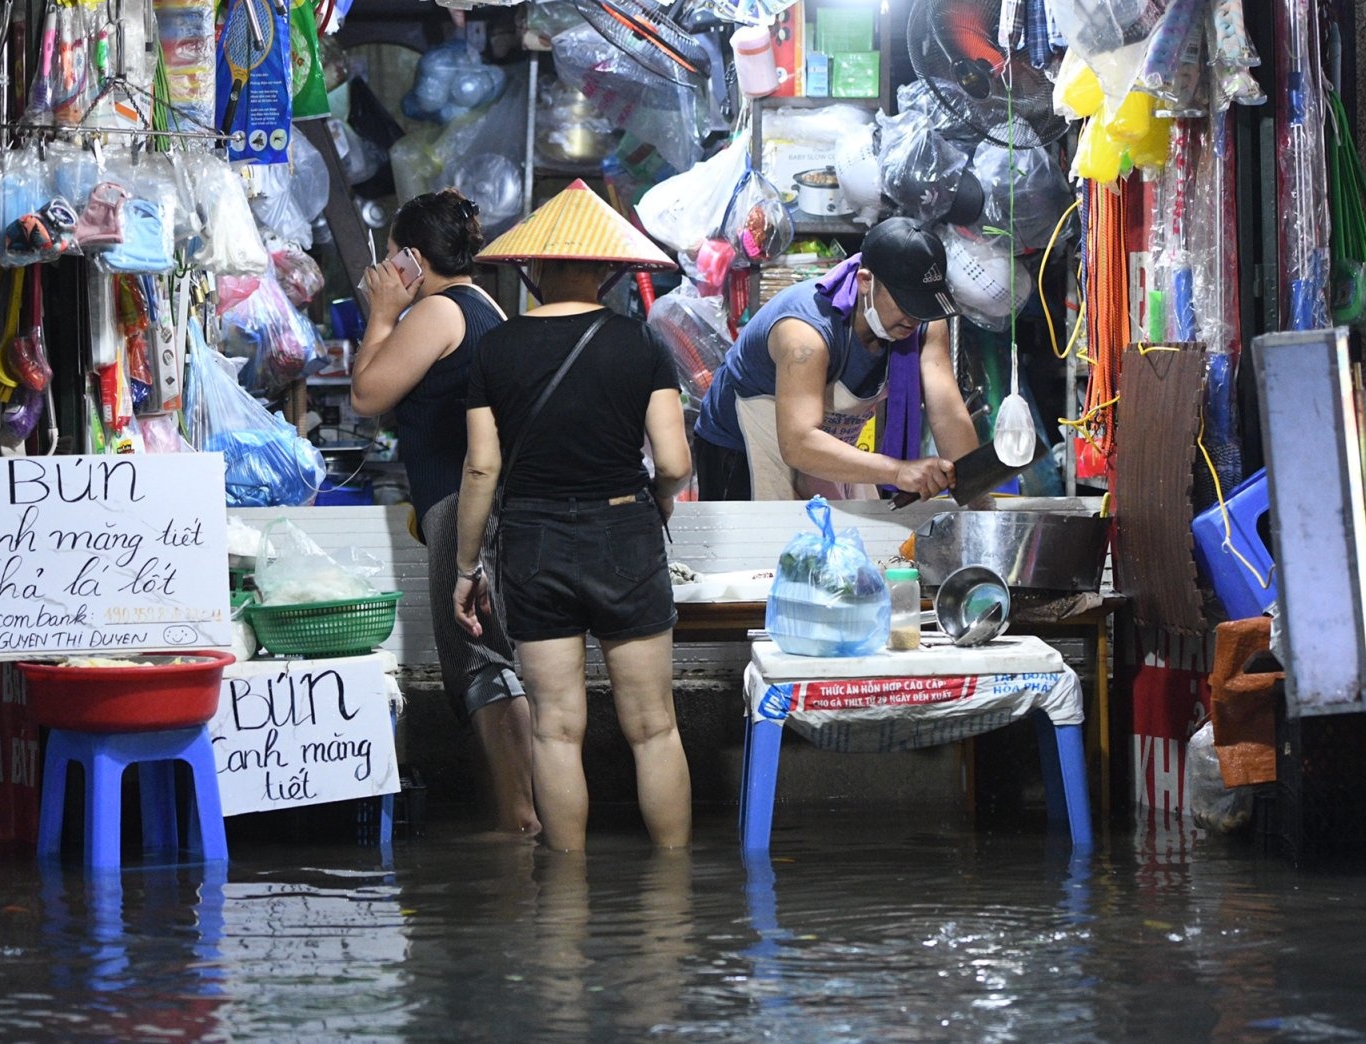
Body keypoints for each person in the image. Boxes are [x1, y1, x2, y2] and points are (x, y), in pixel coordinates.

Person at [450, 180, 694, 853]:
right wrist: (658, 498)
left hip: (533, 542)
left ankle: (565, 893)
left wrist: (467, 568)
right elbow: (674, 462)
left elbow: (481, 469)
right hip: (624, 534)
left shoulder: (496, 349)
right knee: (653, 727)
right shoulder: (641, 343)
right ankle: (673, 889)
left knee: (555, 729)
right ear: (606, 268)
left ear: (534, 266)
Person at [347, 189, 536, 835]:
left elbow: (367, 394)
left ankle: (518, 821)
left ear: (412, 258)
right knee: (491, 659)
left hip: (462, 507)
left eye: (392, 255)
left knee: (478, 662)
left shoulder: (436, 312)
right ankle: (521, 815)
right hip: (482, 503)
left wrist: (381, 313)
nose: (385, 268)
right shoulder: (483, 305)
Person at [693, 215, 979, 502]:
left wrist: (976, 493)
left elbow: (948, 414)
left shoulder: (923, 324)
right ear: (865, 281)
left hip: (823, 444)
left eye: (924, 306)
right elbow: (798, 443)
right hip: (740, 449)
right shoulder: (805, 333)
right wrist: (897, 471)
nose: (914, 318)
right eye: (906, 304)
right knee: (765, 531)